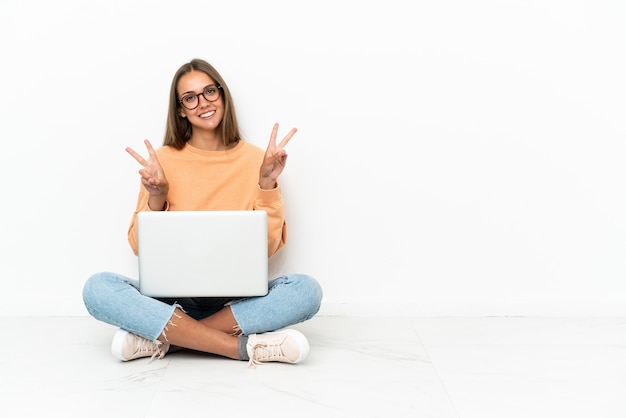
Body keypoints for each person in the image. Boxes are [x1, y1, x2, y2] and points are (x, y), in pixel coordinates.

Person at [82, 58, 323, 367]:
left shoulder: (257, 160)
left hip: (234, 303)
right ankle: (241, 348)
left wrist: (266, 183)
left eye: (210, 91)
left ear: (222, 96)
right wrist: (157, 197)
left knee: (306, 291)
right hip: (171, 302)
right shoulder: (162, 161)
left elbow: (268, 248)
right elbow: (139, 247)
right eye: (190, 97)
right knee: (98, 288)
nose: (203, 103)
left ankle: (164, 340)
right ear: (180, 109)